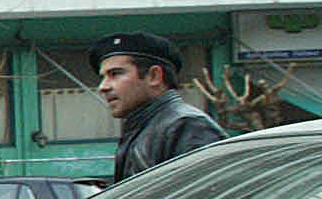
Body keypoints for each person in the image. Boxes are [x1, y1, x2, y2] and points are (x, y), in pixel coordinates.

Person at [93, 29, 225, 181]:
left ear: (154, 76)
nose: (103, 86)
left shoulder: (186, 126)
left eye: (115, 74)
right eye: (103, 77)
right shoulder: (144, 127)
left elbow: (203, 198)